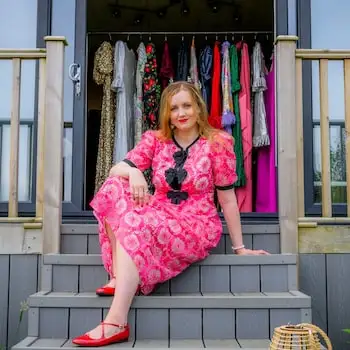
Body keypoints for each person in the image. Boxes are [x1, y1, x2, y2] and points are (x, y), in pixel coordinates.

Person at [72, 81, 269, 347]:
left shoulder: (218, 143)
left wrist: (240, 248)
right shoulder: (155, 140)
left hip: (196, 222)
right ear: (167, 113)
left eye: (187, 105)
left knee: (135, 220)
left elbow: (227, 198)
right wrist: (133, 172)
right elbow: (115, 170)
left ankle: (116, 321)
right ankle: (119, 276)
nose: (181, 113)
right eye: (174, 108)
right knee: (113, 187)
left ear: (198, 108)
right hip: (160, 210)